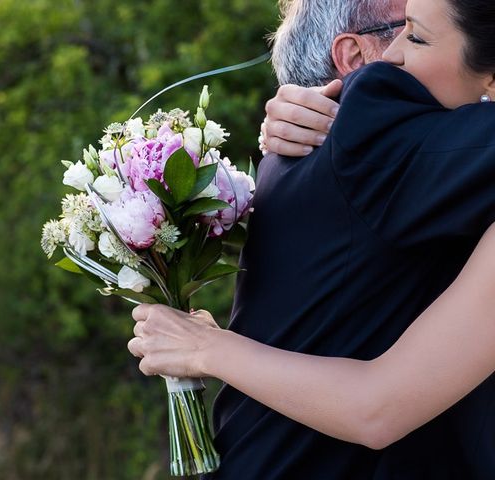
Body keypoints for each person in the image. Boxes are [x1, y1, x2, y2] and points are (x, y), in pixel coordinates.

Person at [128, 0, 495, 478]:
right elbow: (376, 405)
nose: (398, 55)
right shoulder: (371, 123)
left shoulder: (361, 138)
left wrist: (210, 350)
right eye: (400, 27)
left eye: (418, 34)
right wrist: (206, 349)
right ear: (353, 60)